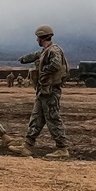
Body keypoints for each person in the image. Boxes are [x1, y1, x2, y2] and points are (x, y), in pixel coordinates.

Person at [13, 25, 69, 159]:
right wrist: (24, 59)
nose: (36, 40)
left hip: (50, 91)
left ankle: (62, 148)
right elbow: (36, 55)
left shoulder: (54, 50)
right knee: (36, 118)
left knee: (53, 118)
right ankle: (27, 146)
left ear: (41, 37)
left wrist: (42, 72)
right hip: (43, 91)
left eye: (37, 37)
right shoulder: (46, 51)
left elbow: (56, 65)